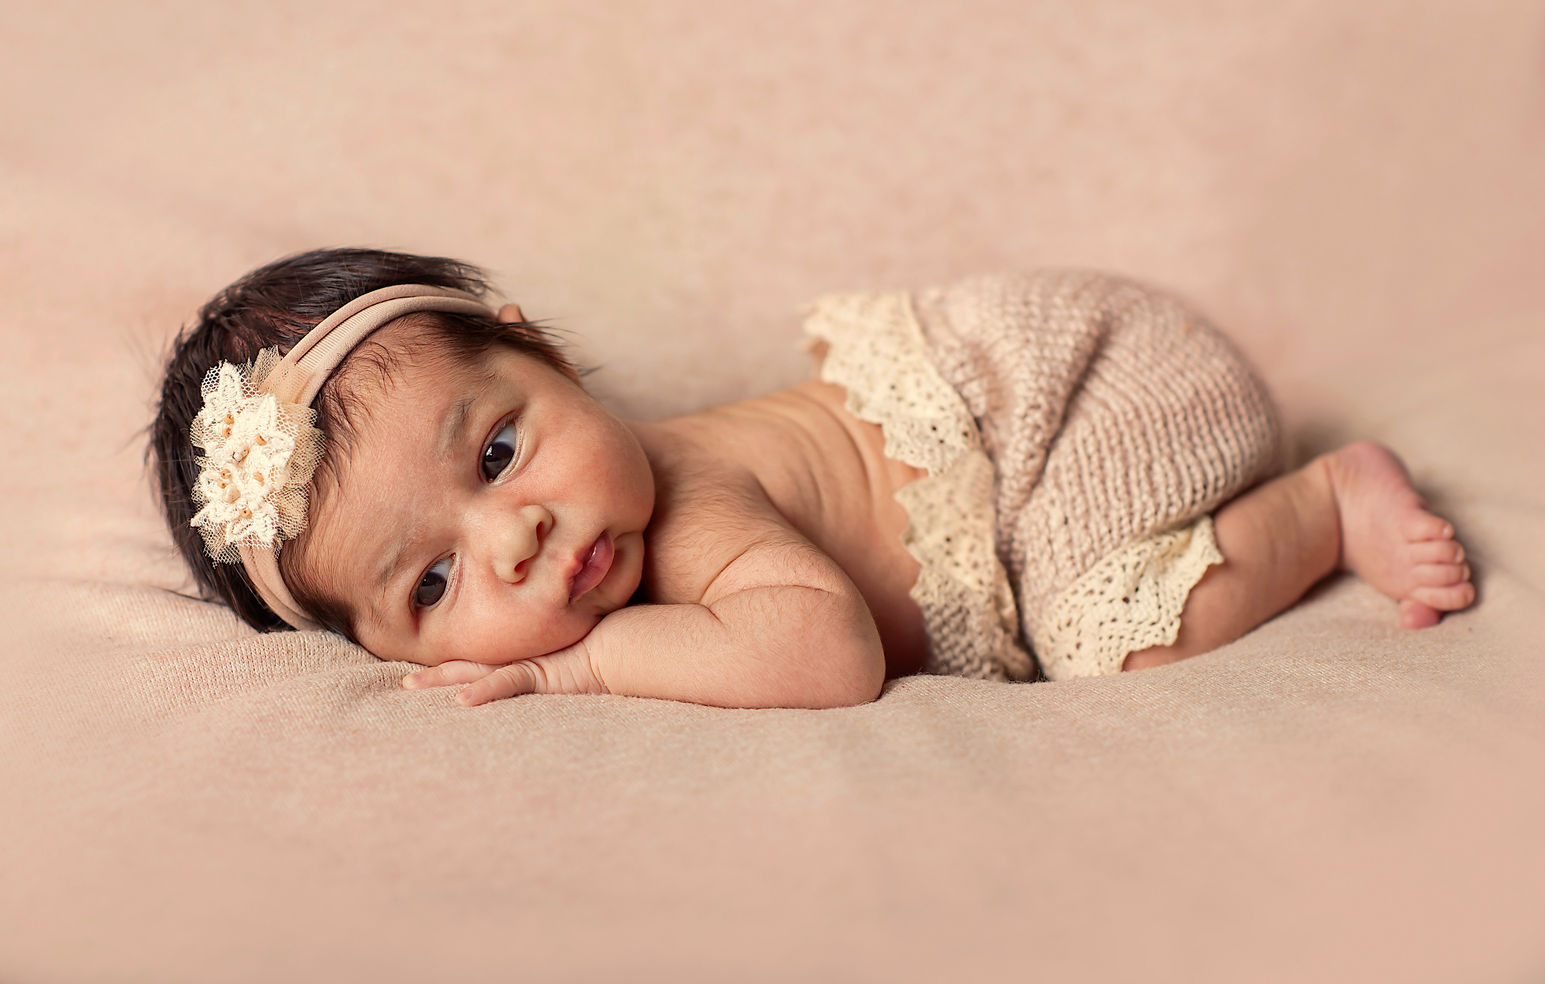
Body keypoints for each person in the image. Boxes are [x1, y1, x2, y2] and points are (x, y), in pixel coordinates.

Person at [149, 248, 1476, 708]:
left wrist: (578, 667)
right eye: (433, 581)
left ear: (543, 359)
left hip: (1090, 391)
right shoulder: (601, 545)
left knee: (1112, 642)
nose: (517, 538)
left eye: (498, 453)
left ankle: (1328, 498)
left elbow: (824, 652)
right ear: (378, 644)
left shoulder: (690, 507)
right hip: (1056, 416)